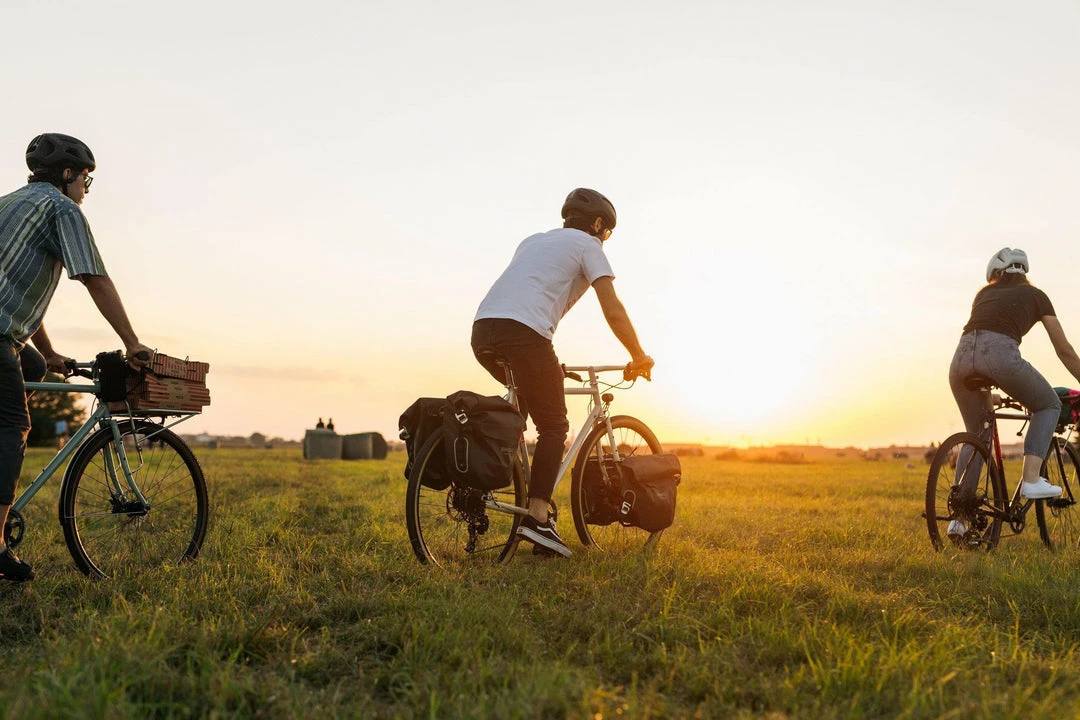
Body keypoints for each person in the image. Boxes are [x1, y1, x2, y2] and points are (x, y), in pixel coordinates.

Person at [0, 133, 153, 581]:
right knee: (12, 423)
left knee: (31, 366)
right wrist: (132, 341)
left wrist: (47, 352)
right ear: (67, 174)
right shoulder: (61, 209)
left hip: (7, 334)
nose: (86, 188)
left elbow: (13, 289)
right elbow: (93, 277)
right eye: (85, 178)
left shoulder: (8, 204)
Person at [471, 188, 654, 557]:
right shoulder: (589, 245)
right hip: (525, 334)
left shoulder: (533, 241)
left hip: (483, 330)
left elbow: (528, 290)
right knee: (554, 426)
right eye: (607, 231)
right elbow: (612, 308)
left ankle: (482, 488)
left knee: (519, 412)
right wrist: (638, 355)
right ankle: (537, 518)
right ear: (597, 224)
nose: (605, 238)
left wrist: (548, 367)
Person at [947, 247, 1080, 539]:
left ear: (996, 274)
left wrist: (989, 392)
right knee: (1048, 404)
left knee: (977, 433)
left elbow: (978, 343)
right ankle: (1031, 478)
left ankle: (960, 520)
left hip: (960, 362)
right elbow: (1064, 351)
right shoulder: (1037, 296)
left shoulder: (983, 294)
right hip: (1000, 358)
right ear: (1024, 274)